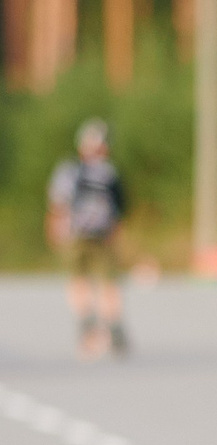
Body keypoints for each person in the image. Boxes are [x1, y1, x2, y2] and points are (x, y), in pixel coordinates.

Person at [47, 120, 129, 360]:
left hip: (77, 234)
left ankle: (87, 324)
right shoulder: (110, 173)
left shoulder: (70, 170)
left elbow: (58, 203)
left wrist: (54, 228)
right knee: (107, 281)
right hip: (102, 234)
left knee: (78, 278)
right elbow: (119, 210)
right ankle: (112, 324)